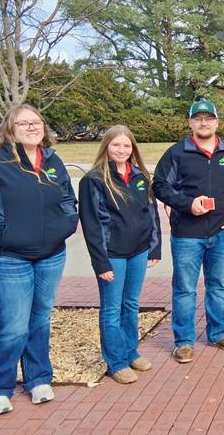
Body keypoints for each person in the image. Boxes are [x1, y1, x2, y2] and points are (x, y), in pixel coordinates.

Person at [0, 104, 78, 415]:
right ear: (10, 127)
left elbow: (66, 197)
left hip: (50, 255)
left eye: (36, 122)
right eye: (23, 123)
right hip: (7, 257)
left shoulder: (51, 159)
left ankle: (37, 379)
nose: (31, 127)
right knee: (12, 325)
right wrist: (0, 232)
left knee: (40, 320)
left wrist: (67, 224)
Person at [152, 99, 224, 363]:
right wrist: (187, 204)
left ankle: (218, 333)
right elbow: (160, 186)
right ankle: (183, 341)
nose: (203, 123)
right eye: (198, 118)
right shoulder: (177, 153)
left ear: (217, 122)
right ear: (190, 122)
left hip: (222, 233)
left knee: (218, 286)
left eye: (208, 118)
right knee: (185, 288)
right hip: (187, 235)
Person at [79, 125, 162, 383]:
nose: (122, 150)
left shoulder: (140, 177)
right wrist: (100, 261)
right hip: (112, 253)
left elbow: (152, 213)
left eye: (126, 146)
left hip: (138, 251)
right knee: (112, 308)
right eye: (116, 145)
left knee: (131, 304)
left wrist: (154, 246)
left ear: (133, 149)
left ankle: (130, 351)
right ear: (106, 147)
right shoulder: (93, 180)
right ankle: (115, 362)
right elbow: (92, 225)